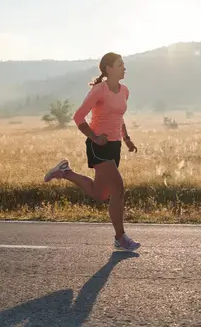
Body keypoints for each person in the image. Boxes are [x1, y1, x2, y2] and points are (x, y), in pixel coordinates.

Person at [43, 52, 141, 252]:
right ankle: (120, 237)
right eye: (120, 64)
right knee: (118, 189)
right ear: (108, 68)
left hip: (114, 147)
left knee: (100, 193)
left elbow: (118, 117)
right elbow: (78, 117)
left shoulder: (125, 91)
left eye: (124, 64)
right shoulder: (99, 90)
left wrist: (127, 138)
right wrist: (95, 138)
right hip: (99, 146)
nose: (125, 67)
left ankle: (65, 172)